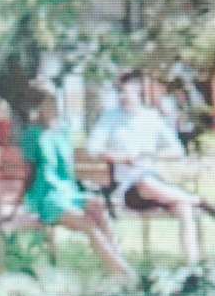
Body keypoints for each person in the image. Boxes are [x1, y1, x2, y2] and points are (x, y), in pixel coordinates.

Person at [84, 70, 215, 263]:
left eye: (127, 92)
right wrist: (121, 158)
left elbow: (177, 150)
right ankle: (198, 200)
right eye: (120, 92)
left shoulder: (151, 117)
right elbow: (93, 148)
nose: (123, 96)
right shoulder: (110, 118)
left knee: (183, 207)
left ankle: (191, 265)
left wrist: (151, 154)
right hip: (127, 189)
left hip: (155, 184)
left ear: (139, 94)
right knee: (145, 183)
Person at [20, 87, 134, 279]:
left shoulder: (63, 132)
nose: (51, 108)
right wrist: (25, 201)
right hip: (47, 196)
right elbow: (28, 172)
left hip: (69, 192)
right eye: (46, 104)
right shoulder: (32, 135)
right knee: (88, 224)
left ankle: (116, 264)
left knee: (98, 208)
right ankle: (124, 274)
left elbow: (68, 169)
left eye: (53, 103)